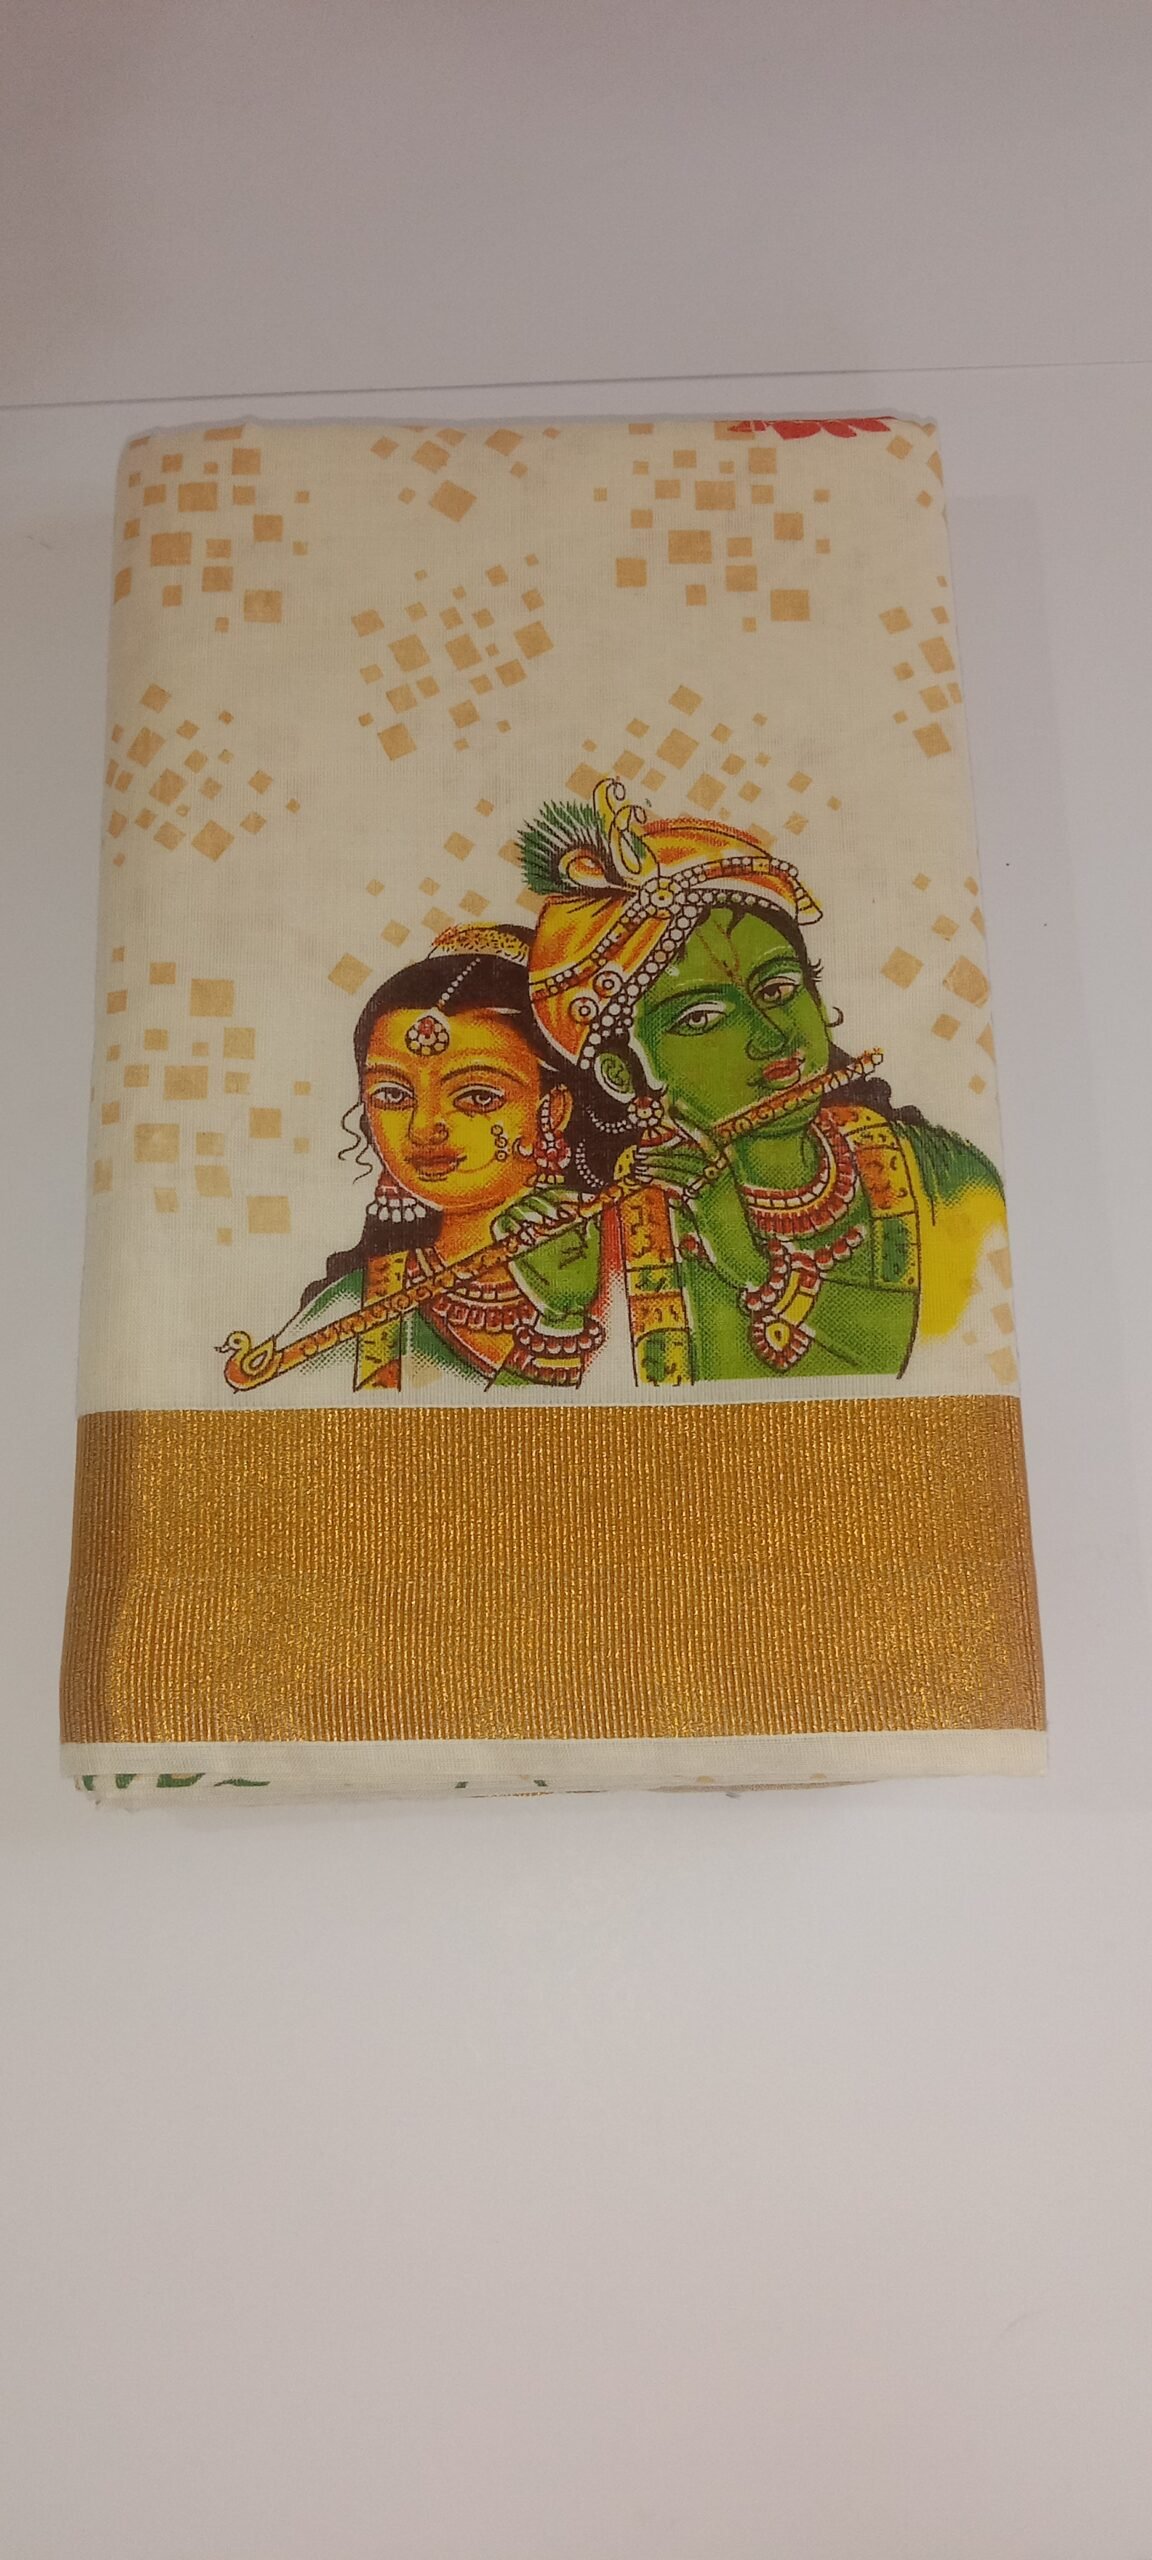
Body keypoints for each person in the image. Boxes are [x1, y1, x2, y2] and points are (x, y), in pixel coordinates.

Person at [500, 781, 1006, 1384]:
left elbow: (961, 1364)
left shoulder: (939, 1172)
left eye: (779, 989)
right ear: (623, 1074)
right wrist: (561, 1315)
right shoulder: (599, 1242)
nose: (772, 1037)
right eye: (701, 1019)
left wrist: (751, 1264)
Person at [221, 925, 629, 1394]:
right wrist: (556, 1327)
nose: (424, 1127)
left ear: (554, 1109)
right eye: (393, 1095)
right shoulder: (354, 1312)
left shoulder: (652, 1261)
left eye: (477, 1096)